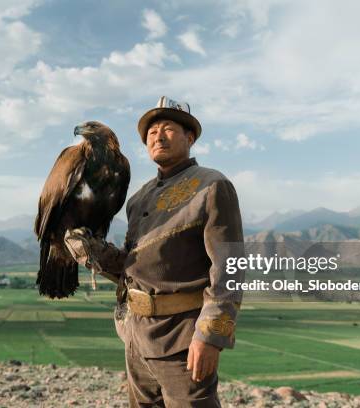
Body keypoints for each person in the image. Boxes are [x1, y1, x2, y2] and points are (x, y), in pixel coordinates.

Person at [64, 96, 244, 407]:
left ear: (189, 138)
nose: (158, 136)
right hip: (135, 335)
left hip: (183, 340)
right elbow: (132, 267)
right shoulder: (138, 198)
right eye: (151, 132)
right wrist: (92, 251)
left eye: (168, 129)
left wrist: (210, 337)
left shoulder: (212, 186)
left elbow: (230, 269)